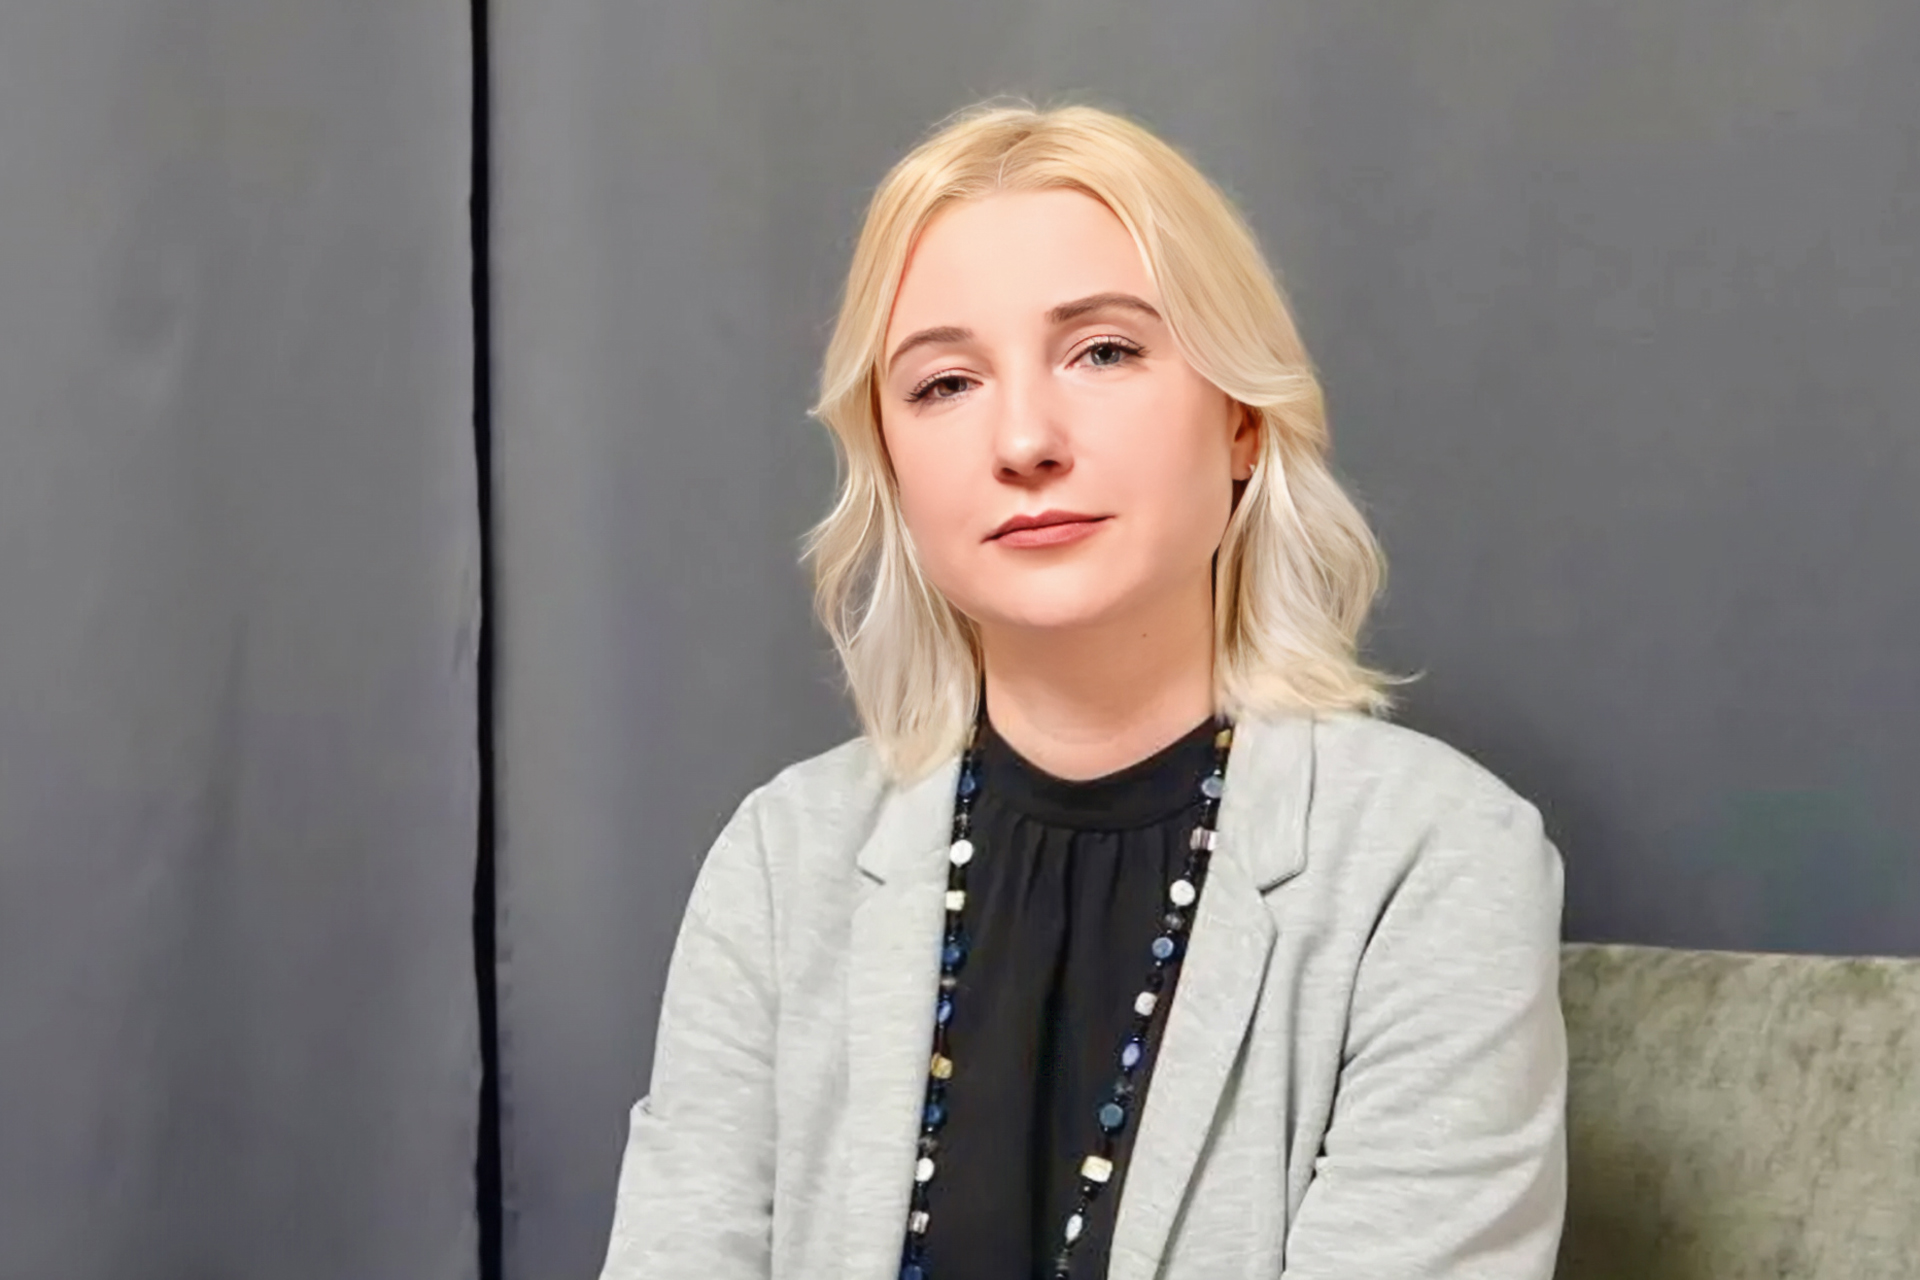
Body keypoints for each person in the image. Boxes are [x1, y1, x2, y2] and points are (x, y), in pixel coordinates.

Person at [596, 99, 1567, 1280]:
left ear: (1242, 417)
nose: (1025, 440)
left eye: (1104, 350)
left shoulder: (1436, 860)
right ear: (891, 461)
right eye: (945, 382)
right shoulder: (779, 864)